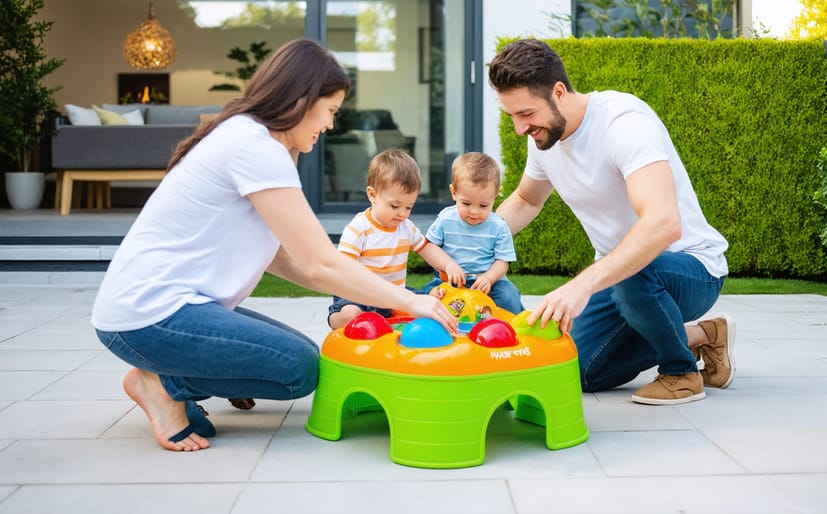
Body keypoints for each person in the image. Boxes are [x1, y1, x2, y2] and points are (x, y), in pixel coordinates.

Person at [90, 39, 458, 452]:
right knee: (297, 369)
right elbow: (320, 263)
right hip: (149, 314)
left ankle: (170, 377)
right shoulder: (255, 147)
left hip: (164, 310)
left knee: (302, 357)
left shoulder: (254, 140)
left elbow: (289, 260)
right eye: (331, 111)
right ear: (302, 99)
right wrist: (411, 301)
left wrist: (379, 296)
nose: (331, 125)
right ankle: (160, 381)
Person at [488, 38, 734, 406]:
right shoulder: (545, 138)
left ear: (558, 92)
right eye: (512, 117)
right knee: (580, 370)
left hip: (691, 268)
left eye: (526, 114)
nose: (520, 128)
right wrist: (471, 242)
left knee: (634, 271)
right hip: (623, 278)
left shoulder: (623, 123)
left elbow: (664, 223)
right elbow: (526, 200)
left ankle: (680, 373)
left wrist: (582, 285)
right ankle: (702, 336)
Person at [327, 148, 466, 329]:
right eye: (395, 206)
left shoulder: (405, 228)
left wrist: (449, 265)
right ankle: (337, 319)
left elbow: (427, 248)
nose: (402, 213)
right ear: (372, 195)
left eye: (409, 207)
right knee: (352, 314)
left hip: (393, 296)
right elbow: (344, 269)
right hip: (358, 296)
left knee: (427, 302)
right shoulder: (359, 229)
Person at [421, 152, 524, 314]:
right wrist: (449, 265)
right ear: (454, 192)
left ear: (496, 195)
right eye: (466, 203)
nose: (474, 212)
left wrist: (488, 278)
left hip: (488, 282)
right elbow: (428, 246)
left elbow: (502, 262)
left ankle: (504, 330)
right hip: (449, 280)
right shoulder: (446, 218)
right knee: (428, 298)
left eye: (483, 205)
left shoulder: (498, 226)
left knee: (509, 299)